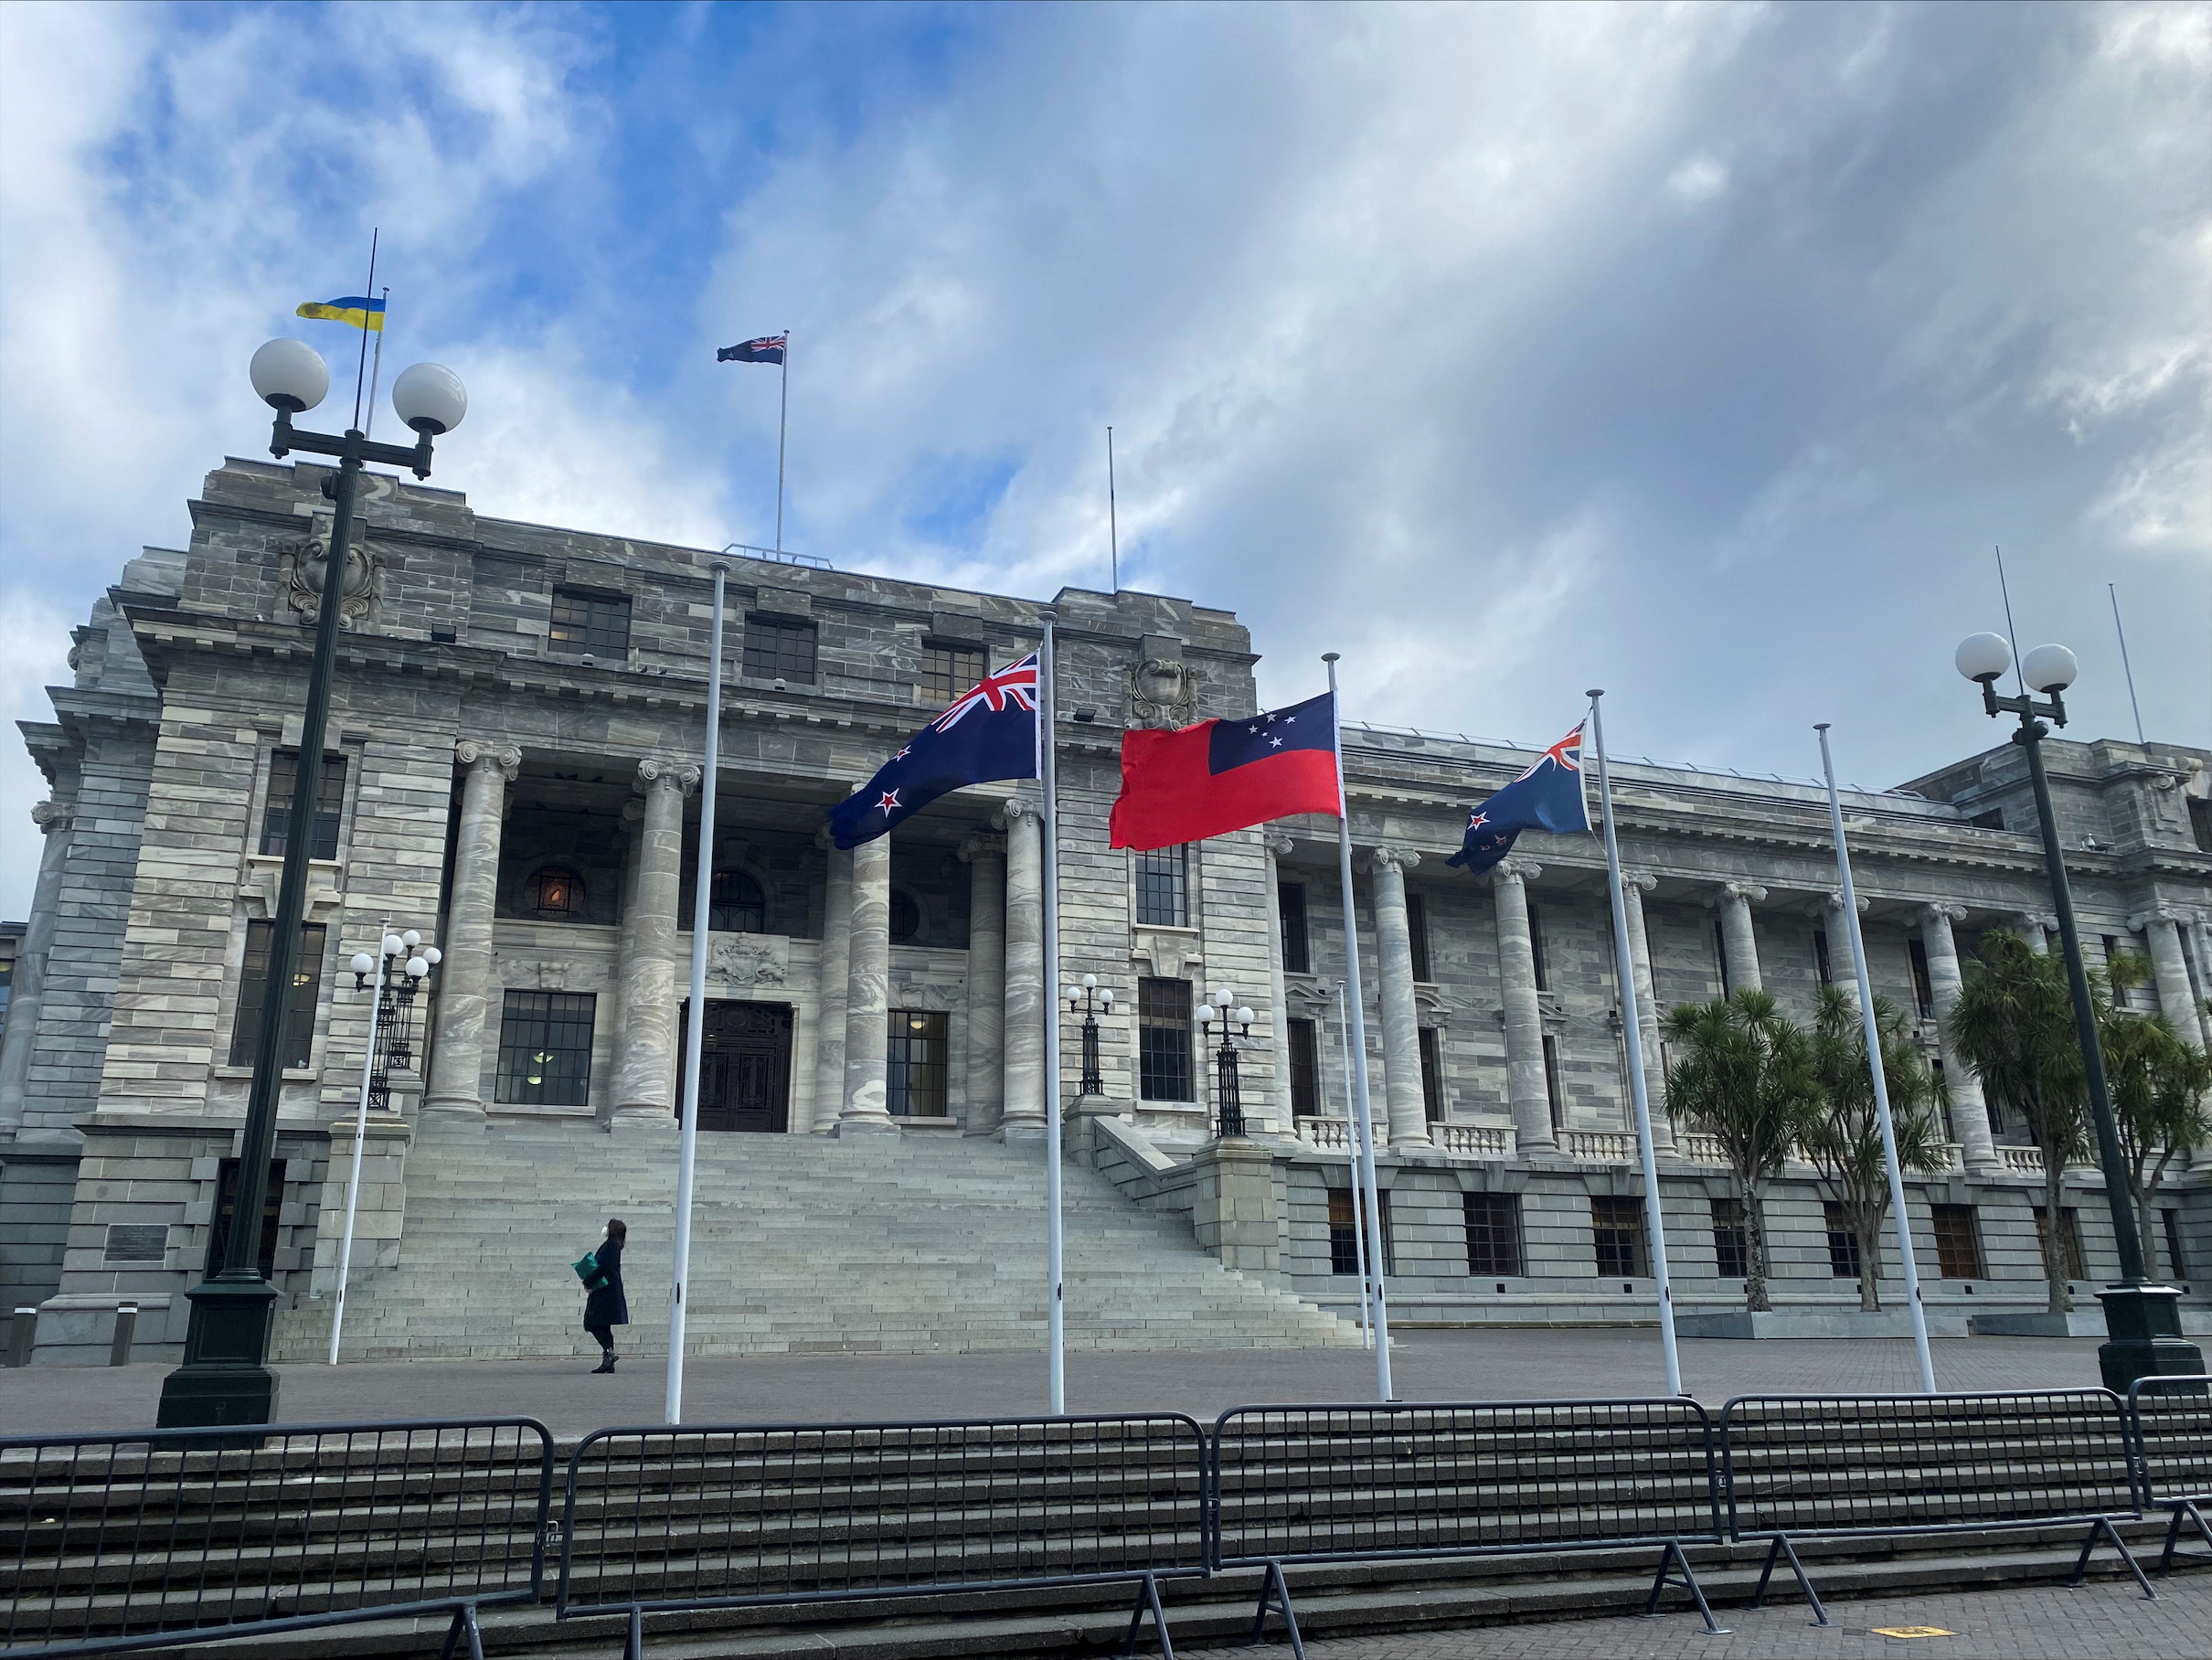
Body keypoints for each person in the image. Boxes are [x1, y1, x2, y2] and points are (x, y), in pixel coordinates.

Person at [581, 1218, 628, 1373]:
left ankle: (609, 1354)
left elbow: (604, 1267)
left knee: (593, 1323)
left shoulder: (612, 1246)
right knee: (602, 1324)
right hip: (606, 1290)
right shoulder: (613, 1245)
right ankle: (608, 1359)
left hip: (606, 1291)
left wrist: (589, 1281)